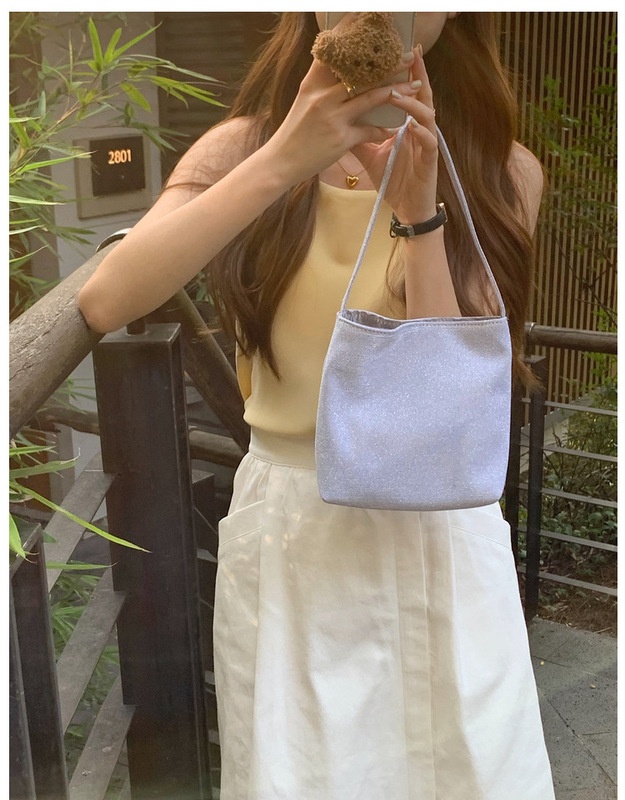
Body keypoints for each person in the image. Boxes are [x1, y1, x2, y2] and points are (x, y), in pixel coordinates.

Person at [78, 12, 556, 800]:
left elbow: (438, 380)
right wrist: (284, 159)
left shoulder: (499, 167)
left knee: (462, 772)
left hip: (439, 527)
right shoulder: (238, 148)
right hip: (296, 531)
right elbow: (107, 299)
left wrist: (419, 214)